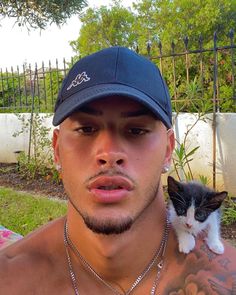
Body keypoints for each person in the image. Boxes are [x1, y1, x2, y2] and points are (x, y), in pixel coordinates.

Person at [0, 46, 235, 295]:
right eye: (86, 129)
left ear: (168, 151)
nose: (109, 153)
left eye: (136, 130)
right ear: (57, 150)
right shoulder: (10, 280)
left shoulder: (224, 283)